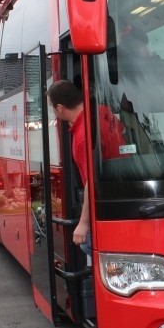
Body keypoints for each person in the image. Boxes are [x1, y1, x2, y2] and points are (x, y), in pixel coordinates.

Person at [46, 80, 125, 255]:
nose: (54, 113)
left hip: (106, 201)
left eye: (53, 108)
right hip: (123, 189)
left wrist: (83, 223)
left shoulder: (82, 137)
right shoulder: (102, 111)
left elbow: (92, 181)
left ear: (60, 108)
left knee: (86, 244)